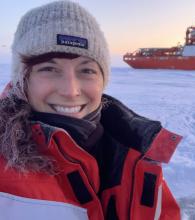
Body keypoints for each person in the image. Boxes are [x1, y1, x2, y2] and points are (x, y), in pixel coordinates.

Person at [0, 1, 182, 219]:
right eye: (49, 69)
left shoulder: (137, 154)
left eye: (86, 70)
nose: (70, 90)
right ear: (22, 82)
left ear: (102, 80)